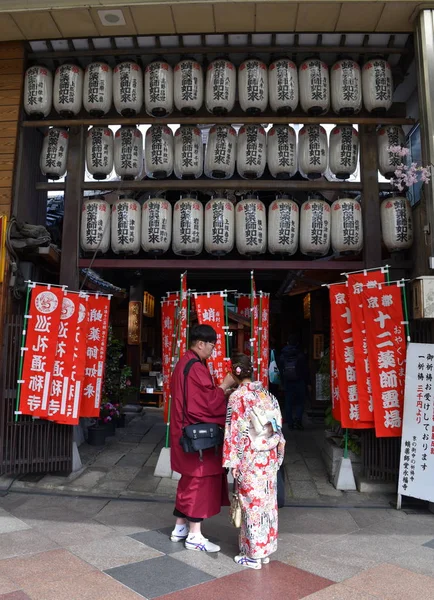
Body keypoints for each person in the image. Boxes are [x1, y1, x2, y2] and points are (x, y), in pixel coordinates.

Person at [170, 324, 236, 552]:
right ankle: (194, 535)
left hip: (184, 433)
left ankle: (180, 527)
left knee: (188, 481)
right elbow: (205, 404)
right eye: (212, 345)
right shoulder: (195, 367)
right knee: (199, 480)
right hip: (197, 438)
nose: (212, 350)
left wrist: (217, 391)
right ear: (201, 344)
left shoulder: (183, 364)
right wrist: (225, 386)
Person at [223, 353, 285, 570]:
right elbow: (277, 425)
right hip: (267, 456)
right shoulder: (266, 394)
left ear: (235, 373)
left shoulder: (237, 398)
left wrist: (232, 462)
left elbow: (234, 433)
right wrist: (276, 453)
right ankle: (265, 550)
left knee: (251, 504)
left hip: (249, 456)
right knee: (267, 503)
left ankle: (253, 555)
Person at [279, 334, 309, 430]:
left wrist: (282, 381)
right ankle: (298, 421)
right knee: (300, 402)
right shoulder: (300, 355)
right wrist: (308, 382)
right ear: (297, 343)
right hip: (300, 381)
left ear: (287, 342)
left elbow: (280, 368)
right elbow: (305, 370)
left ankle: (290, 423)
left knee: (288, 402)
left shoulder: (283, 355)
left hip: (287, 381)